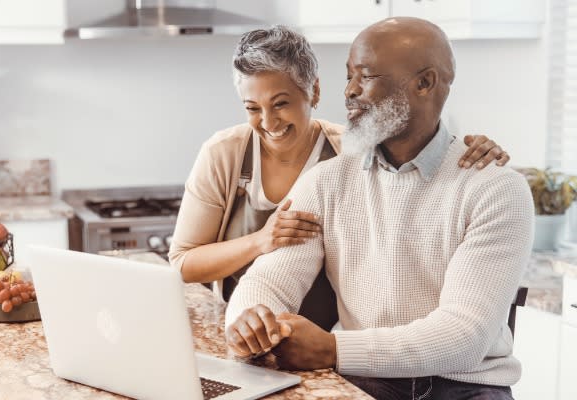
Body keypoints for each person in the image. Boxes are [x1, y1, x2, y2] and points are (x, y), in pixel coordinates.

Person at [224, 17, 533, 400]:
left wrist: (333, 350)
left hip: (462, 387)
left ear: (425, 83)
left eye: (366, 77)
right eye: (348, 76)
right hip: (362, 380)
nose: (350, 91)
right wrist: (249, 320)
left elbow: (464, 335)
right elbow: (271, 279)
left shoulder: (496, 188)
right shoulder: (326, 181)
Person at [168, 25, 509, 331]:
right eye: (252, 108)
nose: (269, 122)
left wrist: (467, 149)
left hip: (329, 339)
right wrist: (262, 241)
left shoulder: (350, 154)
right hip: (244, 322)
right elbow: (183, 262)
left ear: (313, 93)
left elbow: (414, 147)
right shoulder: (225, 153)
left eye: (281, 103)